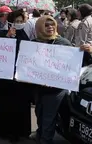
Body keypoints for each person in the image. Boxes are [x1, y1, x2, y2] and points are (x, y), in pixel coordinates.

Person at [0, 9, 32, 142]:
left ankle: (17, 132)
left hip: (19, 77)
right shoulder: (2, 33)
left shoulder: (25, 35)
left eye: (21, 21)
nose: (18, 24)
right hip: (4, 77)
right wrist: (7, 37)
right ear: (10, 22)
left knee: (18, 104)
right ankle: (0, 129)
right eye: (16, 21)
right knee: (3, 102)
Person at [33, 16, 71, 144]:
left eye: (52, 25)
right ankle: (40, 136)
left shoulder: (63, 43)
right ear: (39, 27)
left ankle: (45, 140)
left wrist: (85, 51)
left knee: (49, 118)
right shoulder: (34, 43)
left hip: (56, 89)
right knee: (40, 114)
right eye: (46, 25)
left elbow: (74, 63)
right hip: (39, 87)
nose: (50, 27)